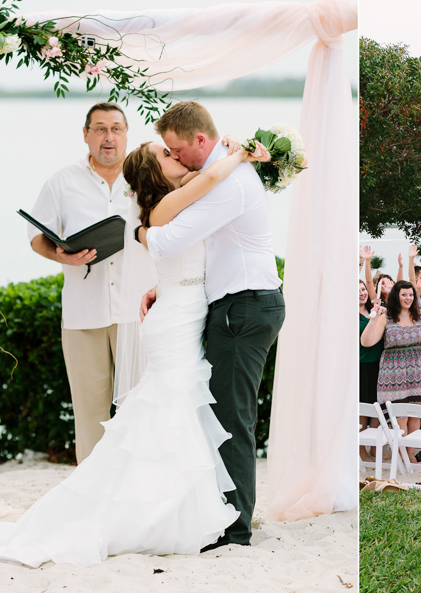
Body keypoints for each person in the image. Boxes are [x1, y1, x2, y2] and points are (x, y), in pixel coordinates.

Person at [0, 135, 268, 566]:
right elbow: (212, 174)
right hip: (175, 323)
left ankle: (177, 508)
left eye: (173, 150)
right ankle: (163, 513)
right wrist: (242, 154)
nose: (174, 155)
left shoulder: (172, 205)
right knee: (170, 410)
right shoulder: (163, 208)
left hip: (179, 310)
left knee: (177, 411)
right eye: (165, 154)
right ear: (154, 172)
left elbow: (196, 240)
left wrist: (161, 284)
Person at [139, 102, 285, 550]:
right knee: (222, 412)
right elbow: (209, 248)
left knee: (232, 417)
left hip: (243, 310)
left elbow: (168, 238)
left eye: (178, 149)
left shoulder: (230, 183)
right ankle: (222, 516)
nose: (176, 157)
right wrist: (168, 287)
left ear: (201, 141)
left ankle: (234, 529)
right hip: (235, 305)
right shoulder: (223, 170)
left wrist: (141, 232)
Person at [24, 102, 140, 464]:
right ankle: (93, 498)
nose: (109, 137)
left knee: (142, 407)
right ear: (86, 134)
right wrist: (62, 256)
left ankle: (138, 489)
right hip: (82, 312)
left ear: (126, 134)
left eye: (116, 129)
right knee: (90, 414)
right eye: (101, 129)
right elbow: (36, 235)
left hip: (137, 311)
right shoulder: (61, 181)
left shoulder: (146, 175)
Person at [361, 280, 421, 463]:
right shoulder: (386, 317)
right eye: (404, 295)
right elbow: (367, 342)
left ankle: (411, 454)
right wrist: (374, 318)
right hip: (394, 374)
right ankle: (404, 456)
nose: (408, 298)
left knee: (415, 414)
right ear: (396, 297)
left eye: (410, 295)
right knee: (400, 416)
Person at [359, 279, 383, 463]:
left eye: (363, 289)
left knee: (377, 407)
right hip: (362, 365)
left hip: (379, 364)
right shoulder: (351, 315)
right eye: (357, 290)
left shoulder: (373, 311)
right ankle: (360, 449)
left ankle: (375, 448)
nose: (362, 293)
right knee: (363, 408)